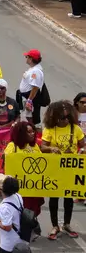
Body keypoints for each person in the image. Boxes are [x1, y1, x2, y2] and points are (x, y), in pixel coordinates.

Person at [40, 100, 85, 240]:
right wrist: (51, 148)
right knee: (54, 198)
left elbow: (83, 145)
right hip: (55, 169)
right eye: (61, 118)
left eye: (66, 117)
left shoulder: (75, 129)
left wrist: (81, 151)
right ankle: (55, 226)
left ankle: (67, 224)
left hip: (71, 169)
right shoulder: (49, 129)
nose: (64, 120)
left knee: (68, 198)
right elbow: (42, 147)